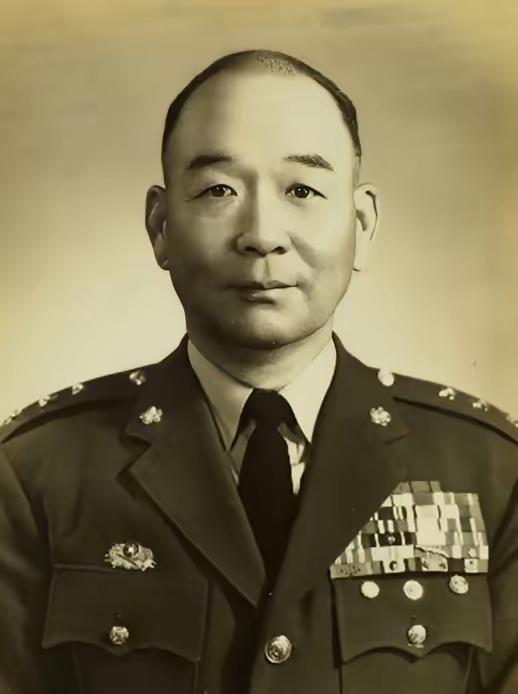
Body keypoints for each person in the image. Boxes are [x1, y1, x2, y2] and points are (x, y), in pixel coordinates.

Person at [1, 49, 517, 694]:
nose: (262, 234)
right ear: (161, 227)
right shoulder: (34, 475)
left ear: (361, 225)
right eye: (220, 190)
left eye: (302, 190)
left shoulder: (492, 474)